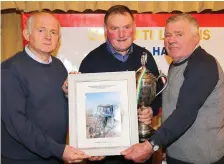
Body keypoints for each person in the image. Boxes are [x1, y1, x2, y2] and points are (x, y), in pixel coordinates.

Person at [63, 5, 162, 164]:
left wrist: (151, 109)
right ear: (105, 30)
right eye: (115, 28)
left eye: (126, 27)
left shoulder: (146, 57)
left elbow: (159, 94)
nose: (122, 34)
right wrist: (90, 147)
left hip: (140, 150)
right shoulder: (90, 61)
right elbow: (82, 111)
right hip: (105, 156)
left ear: (134, 28)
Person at [121, 14, 224, 164]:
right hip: (178, 155)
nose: (171, 39)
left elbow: (185, 113)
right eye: (167, 35)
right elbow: (172, 104)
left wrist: (152, 144)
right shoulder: (178, 63)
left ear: (196, 37)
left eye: (179, 34)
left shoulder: (203, 65)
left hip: (201, 159)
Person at [1, 12, 94, 164]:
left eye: (53, 32)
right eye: (41, 30)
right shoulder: (9, 69)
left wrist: (67, 94)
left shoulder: (58, 66)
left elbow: (56, 108)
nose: (48, 36)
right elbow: (16, 123)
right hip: (22, 159)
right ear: (26, 33)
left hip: (54, 156)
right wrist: (58, 150)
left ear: (58, 39)